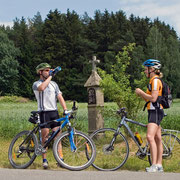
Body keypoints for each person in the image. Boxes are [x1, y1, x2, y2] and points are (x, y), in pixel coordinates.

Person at [32, 63, 67, 169]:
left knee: (58, 136)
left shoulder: (54, 84)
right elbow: (42, 88)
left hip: (54, 112)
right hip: (43, 112)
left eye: (49, 70)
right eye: (46, 70)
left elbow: (60, 97)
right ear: (40, 72)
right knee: (45, 137)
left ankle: (60, 159)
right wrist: (51, 75)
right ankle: (44, 160)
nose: (48, 72)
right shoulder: (36, 83)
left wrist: (65, 109)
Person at [135, 59, 164, 172]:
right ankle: (159, 165)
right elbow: (149, 98)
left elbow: (154, 98)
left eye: (145, 69)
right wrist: (142, 94)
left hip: (155, 111)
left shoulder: (155, 81)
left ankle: (154, 165)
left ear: (151, 69)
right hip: (154, 110)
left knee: (149, 137)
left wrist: (141, 92)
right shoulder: (153, 80)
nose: (144, 71)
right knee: (157, 138)